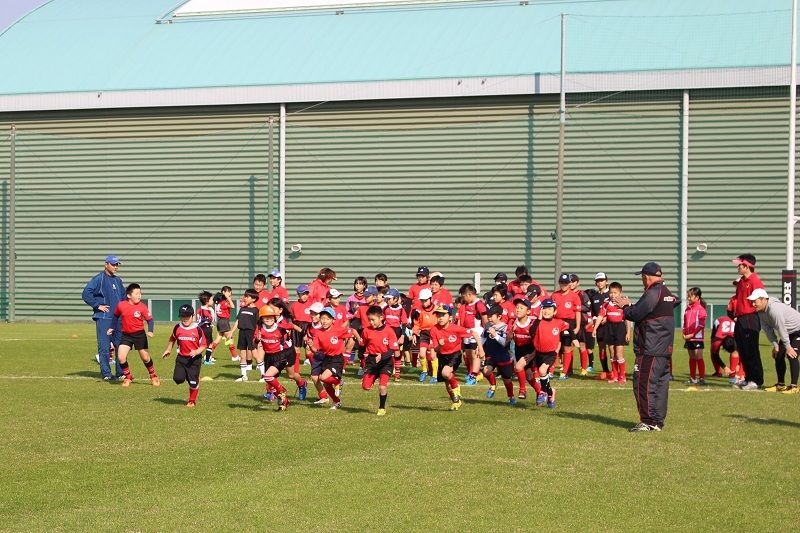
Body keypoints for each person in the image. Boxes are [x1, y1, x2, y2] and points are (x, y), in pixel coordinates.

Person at [615, 261, 679, 432]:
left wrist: (625, 306)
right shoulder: (666, 292)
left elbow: (635, 314)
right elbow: (671, 303)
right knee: (660, 386)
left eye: (642, 277)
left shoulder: (653, 293)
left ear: (646, 277)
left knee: (643, 384)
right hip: (664, 349)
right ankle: (657, 421)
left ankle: (649, 421)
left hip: (650, 347)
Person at [429, 305, 483, 411]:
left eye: (443, 315)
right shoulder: (434, 330)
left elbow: (474, 333)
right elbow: (436, 349)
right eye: (438, 315)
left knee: (446, 373)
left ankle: (457, 388)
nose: (440, 318)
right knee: (447, 384)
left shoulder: (456, 328)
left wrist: (480, 348)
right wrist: (439, 345)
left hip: (455, 355)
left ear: (450, 317)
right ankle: (456, 402)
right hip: (442, 356)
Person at [81, 255, 126, 380]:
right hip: (104, 318)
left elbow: (123, 298)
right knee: (104, 347)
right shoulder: (99, 279)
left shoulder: (118, 280)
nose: (116, 267)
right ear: (106, 264)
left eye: (117, 265)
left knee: (120, 346)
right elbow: (86, 293)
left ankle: (120, 373)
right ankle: (106, 374)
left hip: (118, 319)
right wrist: (97, 305)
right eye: (113, 264)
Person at [750, 289, 800, 394]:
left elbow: (781, 328)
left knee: (791, 354)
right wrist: (776, 345)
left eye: (755, 301)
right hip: (788, 332)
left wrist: (788, 347)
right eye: (752, 301)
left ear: (763, 299)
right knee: (778, 354)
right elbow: (768, 329)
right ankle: (780, 385)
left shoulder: (774, 309)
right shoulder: (760, 312)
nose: (753, 304)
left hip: (798, 331)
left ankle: (794, 386)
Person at [111, 283, 160, 388]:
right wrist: (112, 327)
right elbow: (115, 316)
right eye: (136, 293)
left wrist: (150, 331)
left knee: (145, 358)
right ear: (129, 295)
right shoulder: (121, 305)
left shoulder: (142, 307)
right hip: (126, 335)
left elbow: (150, 320)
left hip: (139, 335)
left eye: (140, 293)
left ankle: (153, 376)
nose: (139, 296)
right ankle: (128, 377)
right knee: (121, 357)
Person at [356, 305, 400, 415]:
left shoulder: (389, 331)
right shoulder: (366, 331)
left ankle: (382, 408)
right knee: (366, 387)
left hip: (386, 361)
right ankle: (372, 377)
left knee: (382, 386)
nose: (371, 322)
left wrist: (383, 356)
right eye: (369, 320)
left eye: (373, 320)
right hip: (371, 361)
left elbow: (393, 349)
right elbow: (362, 345)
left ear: (381, 317)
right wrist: (361, 355)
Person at [162, 304, 207, 407]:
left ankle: (192, 400)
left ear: (193, 316)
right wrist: (168, 349)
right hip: (181, 358)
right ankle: (191, 376)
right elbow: (172, 339)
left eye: (187, 316)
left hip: (194, 360)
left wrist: (196, 352)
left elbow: (203, 345)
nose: (185, 318)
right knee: (178, 379)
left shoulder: (198, 329)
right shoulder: (177, 327)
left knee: (193, 383)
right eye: (183, 316)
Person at [732, 254, 765, 390]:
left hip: (750, 318)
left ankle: (756, 380)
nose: (738, 267)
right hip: (740, 318)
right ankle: (748, 378)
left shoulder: (755, 281)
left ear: (746, 266)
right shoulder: (741, 281)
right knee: (743, 349)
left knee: (751, 349)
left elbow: (761, 300)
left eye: (740, 265)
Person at [311, 307, 355, 410]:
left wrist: (360, 341)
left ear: (333, 320)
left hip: (337, 359)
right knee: (326, 384)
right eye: (322, 318)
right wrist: (311, 345)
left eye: (327, 319)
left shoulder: (338, 329)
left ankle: (338, 382)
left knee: (322, 378)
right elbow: (315, 349)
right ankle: (336, 401)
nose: (324, 321)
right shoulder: (318, 332)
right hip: (326, 358)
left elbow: (352, 331)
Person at [593, 282, 630, 384]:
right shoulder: (606, 304)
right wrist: (595, 328)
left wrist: (628, 332)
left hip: (620, 328)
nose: (613, 295)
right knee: (612, 353)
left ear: (620, 293)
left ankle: (622, 376)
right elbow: (600, 316)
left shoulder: (624, 304)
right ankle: (615, 375)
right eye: (611, 293)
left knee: (619, 353)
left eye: (615, 293)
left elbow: (628, 319)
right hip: (609, 328)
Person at [481, 306, 517, 406]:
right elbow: (483, 337)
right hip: (491, 355)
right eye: (488, 316)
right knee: (486, 371)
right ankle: (493, 385)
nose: (489, 318)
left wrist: (495, 335)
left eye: (491, 316)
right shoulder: (487, 326)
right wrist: (479, 347)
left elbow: (505, 343)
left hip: (503, 356)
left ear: (499, 316)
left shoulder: (505, 328)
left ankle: (511, 396)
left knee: (507, 380)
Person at [551, 273, 582, 379]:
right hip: (556, 322)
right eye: (562, 283)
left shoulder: (574, 296)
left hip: (569, 323)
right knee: (555, 347)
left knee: (567, 347)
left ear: (569, 284)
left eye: (566, 283)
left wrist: (577, 326)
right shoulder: (554, 295)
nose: (564, 285)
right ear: (559, 283)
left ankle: (565, 372)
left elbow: (577, 312)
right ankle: (551, 370)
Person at [586, 272, 612, 379]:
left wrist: (608, 317)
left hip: (611, 326)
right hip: (600, 327)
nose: (600, 282)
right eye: (598, 281)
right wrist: (595, 320)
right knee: (602, 349)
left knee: (612, 349)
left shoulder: (611, 294)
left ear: (606, 281)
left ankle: (615, 372)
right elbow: (592, 312)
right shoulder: (594, 297)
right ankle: (605, 371)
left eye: (602, 280)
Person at [230, 289, 259, 381]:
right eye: (245, 296)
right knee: (242, 355)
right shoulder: (242, 308)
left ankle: (263, 375)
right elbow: (238, 321)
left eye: (247, 297)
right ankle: (243, 376)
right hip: (242, 332)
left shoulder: (256, 310)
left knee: (255, 354)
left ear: (253, 299)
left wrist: (258, 334)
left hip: (251, 333)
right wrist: (232, 331)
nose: (245, 298)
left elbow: (259, 324)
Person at [682, 287, 707, 385]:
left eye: (690, 296)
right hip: (689, 338)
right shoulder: (687, 309)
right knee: (692, 357)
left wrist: (692, 334)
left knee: (698, 357)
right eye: (688, 296)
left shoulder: (701, 309)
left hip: (697, 338)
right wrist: (684, 333)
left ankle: (702, 378)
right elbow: (685, 323)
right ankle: (693, 378)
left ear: (697, 297)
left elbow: (701, 325)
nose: (688, 298)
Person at [210, 286, 239, 361]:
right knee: (230, 338)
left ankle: (208, 355)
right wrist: (228, 298)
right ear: (223, 292)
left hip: (220, 321)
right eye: (228, 291)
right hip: (224, 321)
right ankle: (235, 356)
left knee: (217, 340)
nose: (230, 293)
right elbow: (233, 306)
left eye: (230, 291)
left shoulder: (220, 302)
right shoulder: (224, 302)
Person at [196, 291, 216, 365]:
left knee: (203, 344)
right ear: (207, 301)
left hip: (201, 328)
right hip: (206, 329)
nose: (213, 301)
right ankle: (206, 361)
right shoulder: (206, 310)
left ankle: (204, 360)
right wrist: (211, 312)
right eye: (211, 300)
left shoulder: (200, 309)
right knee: (208, 345)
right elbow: (211, 319)